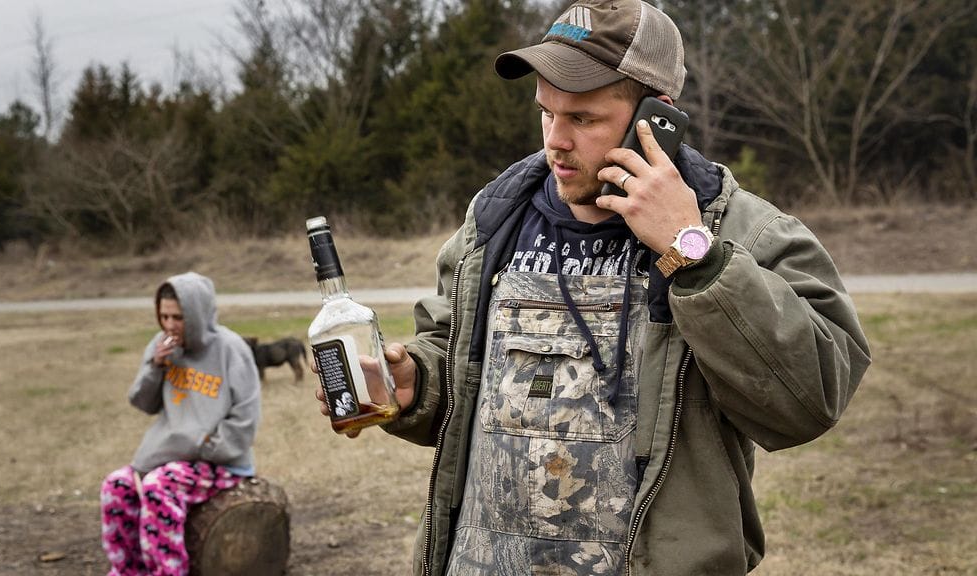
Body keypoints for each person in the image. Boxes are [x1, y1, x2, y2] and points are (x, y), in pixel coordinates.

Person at [317, 1, 871, 574]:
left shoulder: (744, 232)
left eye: (582, 119)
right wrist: (416, 382)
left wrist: (690, 252)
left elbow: (812, 398)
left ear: (657, 117)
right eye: (545, 112)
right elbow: (452, 364)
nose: (555, 140)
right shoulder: (493, 220)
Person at [100, 272, 261, 576]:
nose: (170, 325)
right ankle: (128, 570)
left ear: (197, 314)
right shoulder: (161, 346)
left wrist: (204, 445)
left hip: (221, 460)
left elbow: (246, 418)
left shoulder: (231, 348)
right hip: (169, 457)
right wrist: (155, 367)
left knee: (158, 485)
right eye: (164, 316)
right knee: (116, 486)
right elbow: (143, 403)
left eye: (178, 317)